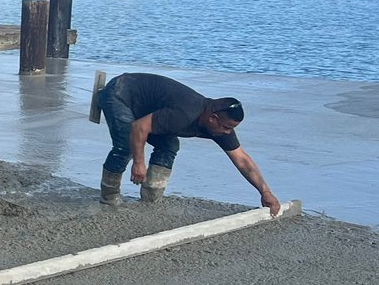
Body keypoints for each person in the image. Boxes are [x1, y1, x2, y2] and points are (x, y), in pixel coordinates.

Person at [96, 73, 280, 213]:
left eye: (231, 129)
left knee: (169, 145)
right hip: (120, 93)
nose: (227, 133)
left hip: (146, 107)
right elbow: (139, 127)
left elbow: (243, 161)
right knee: (126, 145)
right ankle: (109, 200)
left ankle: (150, 199)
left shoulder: (220, 127)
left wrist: (265, 192)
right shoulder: (185, 114)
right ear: (212, 118)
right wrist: (139, 163)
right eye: (226, 127)